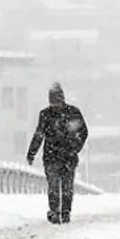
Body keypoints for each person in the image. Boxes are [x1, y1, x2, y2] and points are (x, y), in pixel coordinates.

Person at [26, 83, 88, 224]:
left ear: (62, 99)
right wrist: (31, 152)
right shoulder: (46, 115)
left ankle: (65, 212)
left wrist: (75, 148)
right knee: (54, 186)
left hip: (67, 156)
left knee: (67, 186)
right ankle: (55, 212)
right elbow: (39, 135)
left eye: (57, 102)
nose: (55, 105)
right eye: (53, 102)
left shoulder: (73, 113)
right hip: (52, 157)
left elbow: (83, 132)